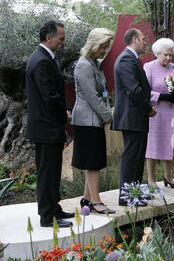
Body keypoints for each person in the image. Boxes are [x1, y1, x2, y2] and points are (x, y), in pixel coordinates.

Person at [26, 20, 74, 228]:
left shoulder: (46, 58)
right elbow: (50, 95)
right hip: (46, 127)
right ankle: (47, 215)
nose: (64, 42)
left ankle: (54, 208)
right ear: (49, 38)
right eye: (61, 39)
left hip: (48, 126)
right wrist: (65, 114)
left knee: (53, 170)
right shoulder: (42, 61)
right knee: (47, 172)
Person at [71, 28, 116, 214]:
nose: (105, 50)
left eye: (107, 47)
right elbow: (91, 96)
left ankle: (87, 199)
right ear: (93, 45)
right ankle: (96, 202)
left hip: (95, 119)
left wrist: (108, 99)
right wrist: (108, 115)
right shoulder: (84, 65)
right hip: (86, 120)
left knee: (95, 160)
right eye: (103, 47)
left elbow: (102, 90)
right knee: (93, 163)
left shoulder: (95, 63)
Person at [111, 28, 157, 207]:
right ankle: (127, 196)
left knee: (138, 157)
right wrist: (148, 109)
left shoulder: (131, 59)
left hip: (136, 117)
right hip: (132, 117)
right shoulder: (125, 60)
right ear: (135, 39)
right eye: (144, 39)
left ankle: (135, 194)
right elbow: (134, 89)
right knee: (131, 158)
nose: (146, 42)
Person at [143, 38, 174, 189]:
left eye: (170, 55)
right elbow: (145, 91)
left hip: (171, 112)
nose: (168, 58)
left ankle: (168, 177)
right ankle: (151, 179)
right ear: (157, 53)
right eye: (165, 55)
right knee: (152, 145)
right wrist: (162, 96)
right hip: (155, 112)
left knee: (169, 143)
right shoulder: (149, 67)